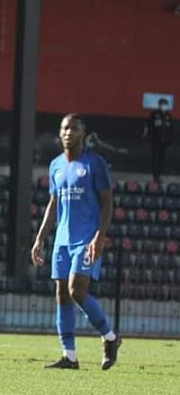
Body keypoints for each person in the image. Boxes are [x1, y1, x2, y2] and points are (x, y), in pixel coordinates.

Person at [31, 113, 121, 370]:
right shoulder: (56, 165)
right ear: (59, 133)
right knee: (62, 294)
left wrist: (99, 236)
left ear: (83, 132)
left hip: (86, 238)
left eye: (74, 128)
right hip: (62, 239)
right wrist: (40, 238)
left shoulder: (94, 163)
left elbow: (107, 202)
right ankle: (69, 356)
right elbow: (53, 203)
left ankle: (110, 337)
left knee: (76, 290)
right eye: (64, 128)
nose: (68, 132)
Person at [143, 98, 173, 182]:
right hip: (155, 140)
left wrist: (169, 140)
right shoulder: (154, 114)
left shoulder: (168, 116)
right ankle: (155, 175)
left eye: (165, 105)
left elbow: (171, 129)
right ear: (159, 105)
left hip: (165, 141)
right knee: (155, 158)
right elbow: (148, 125)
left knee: (162, 159)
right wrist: (148, 135)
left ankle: (159, 175)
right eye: (162, 104)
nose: (164, 106)